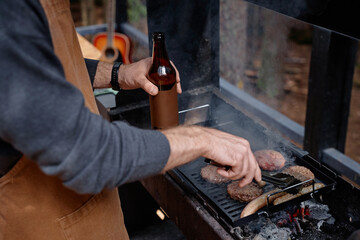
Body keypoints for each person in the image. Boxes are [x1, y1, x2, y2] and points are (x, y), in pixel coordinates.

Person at [0, 0, 261, 239]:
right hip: (42, 225)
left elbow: (45, 67)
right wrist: (200, 138)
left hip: (89, 215)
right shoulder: (10, 10)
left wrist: (120, 73)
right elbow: (87, 153)